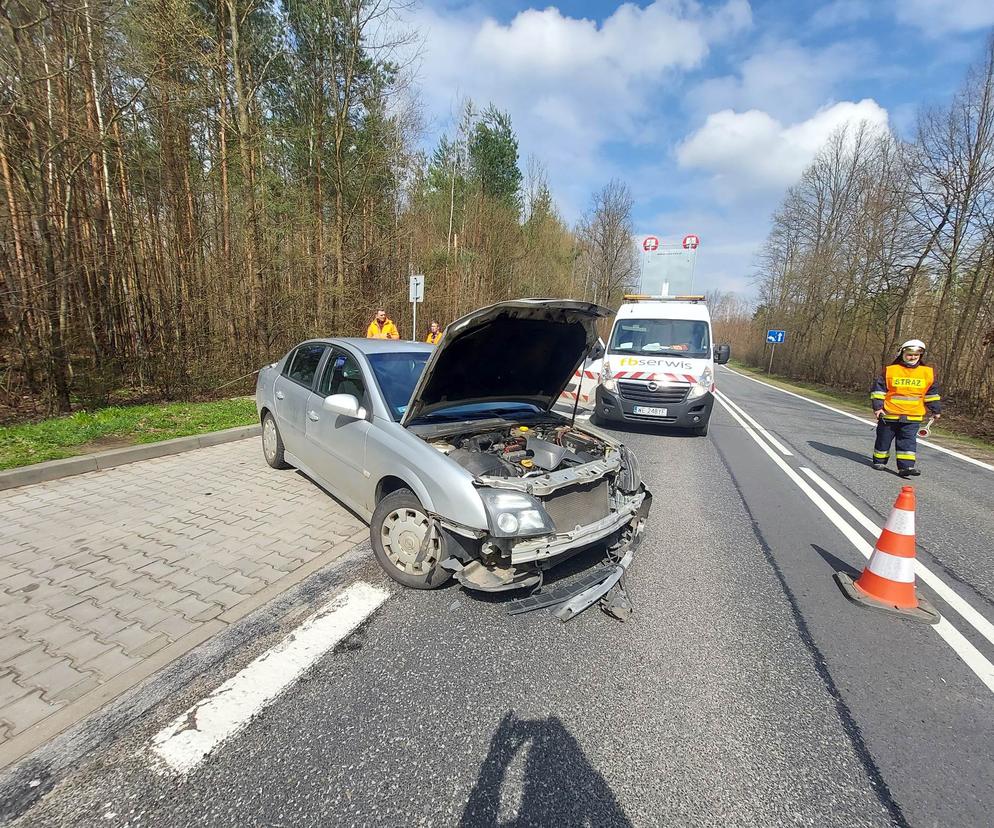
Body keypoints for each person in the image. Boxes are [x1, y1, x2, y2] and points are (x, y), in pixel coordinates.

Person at [870, 339, 941, 477]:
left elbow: (931, 394)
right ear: (902, 354)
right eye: (910, 354)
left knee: (907, 443)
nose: (913, 357)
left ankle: (906, 467)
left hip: (913, 416)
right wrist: (878, 408)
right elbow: (878, 391)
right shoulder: (891, 370)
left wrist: (936, 410)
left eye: (916, 355)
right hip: (889, 415)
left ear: (921, 355)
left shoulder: (927, 373)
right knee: (883, 439)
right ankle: (879, 461)